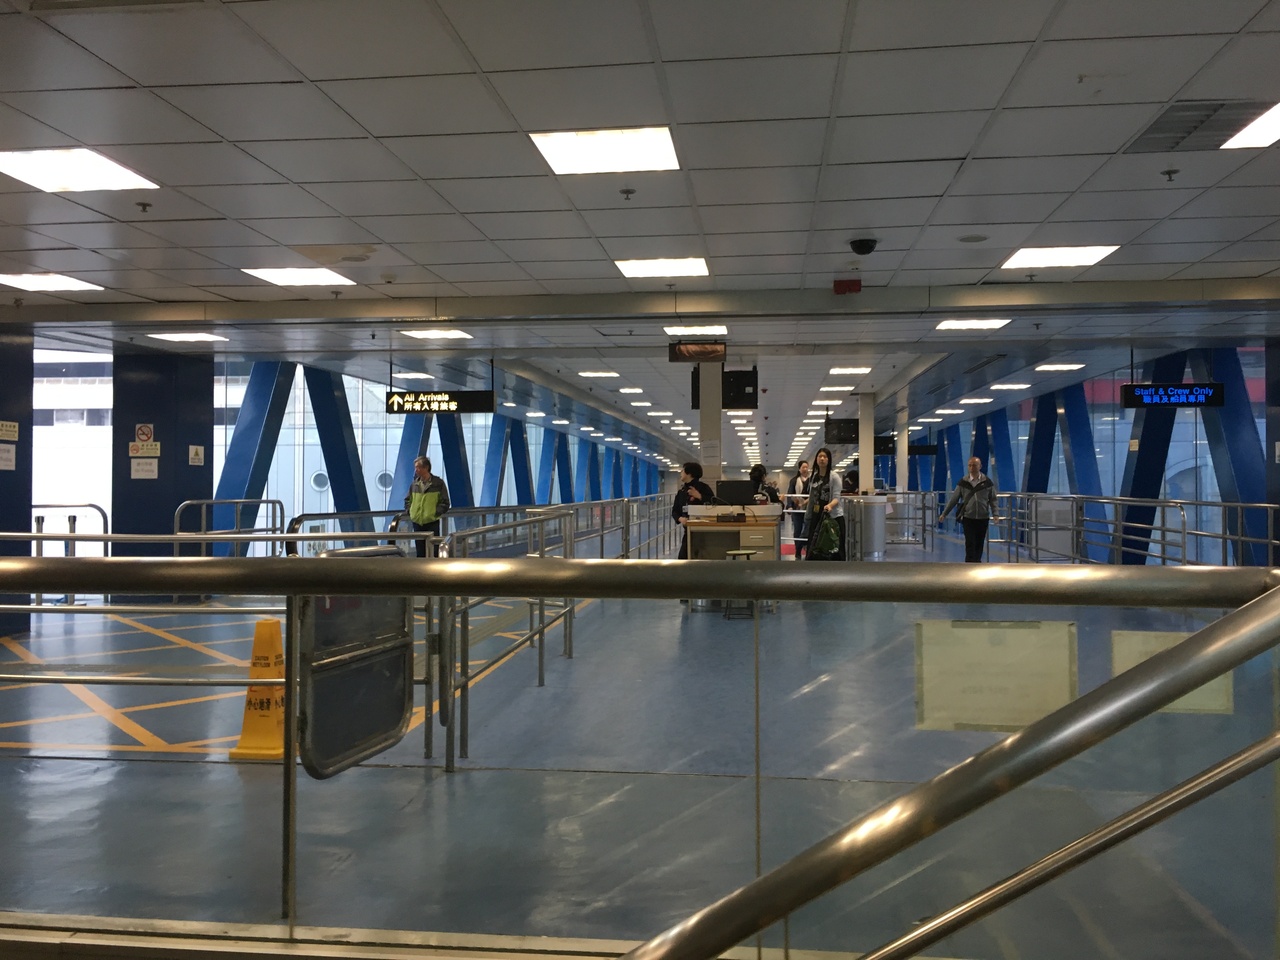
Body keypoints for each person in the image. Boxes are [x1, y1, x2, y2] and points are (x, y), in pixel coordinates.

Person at [941, 456, 997, 563]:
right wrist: (944, 513)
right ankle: (969, 563)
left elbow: (993, 499)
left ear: (980, 466)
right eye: (970, 465)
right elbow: (954, 499)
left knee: (979, 542)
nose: (972, 468)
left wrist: (995, 514)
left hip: (983, 517)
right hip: (968, 517)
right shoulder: (963, 483)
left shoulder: (987, 483)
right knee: (970, 542)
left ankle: (977, 562)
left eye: (974, 465)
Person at [404, 455, 450, 558]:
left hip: (431, 522)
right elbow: (407, 500)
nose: (416, 470)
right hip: (417, 522)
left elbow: (445, 502)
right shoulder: (414, 484)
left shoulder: (438, 484)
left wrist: (434, 513)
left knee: (433, 550)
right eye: (416, 467)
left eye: (418, 467)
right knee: (420, 551)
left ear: (426, 468)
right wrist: (410, 512)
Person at [803, 447, 843, 560]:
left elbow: (836, 497)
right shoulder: (814, 477)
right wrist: (808, 515)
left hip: (832, 516)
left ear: (828, 460)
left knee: (831, 547)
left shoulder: (834, 477)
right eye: (820, 456)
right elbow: (812, 497)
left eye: (825, 457)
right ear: (816, 459)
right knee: (814, 546)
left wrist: (829, 505)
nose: (822, 459)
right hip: (816, 516)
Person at [672, 461, 715, 560]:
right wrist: (680, 519)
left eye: (683, 471)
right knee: (683, 557)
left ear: (689, 474)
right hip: (688, 530)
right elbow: (675, 511)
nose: (681, 473)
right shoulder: (682, 492)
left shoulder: (704, 488)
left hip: (704, 531)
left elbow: (714, 503)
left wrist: (699, 496)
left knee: (703, 556)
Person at [786, 460, 810, 559]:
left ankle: (808, 549)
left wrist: (804, 502)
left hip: (808, 509)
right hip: (797, 509)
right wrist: (790, 505)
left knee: (808, 530)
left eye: (806, 467)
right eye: (803, 467)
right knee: (797, 530)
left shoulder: (812, 480)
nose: (805, 469)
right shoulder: (794, 480)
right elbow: (790, 493)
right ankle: (798, 550)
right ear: (799, 469)